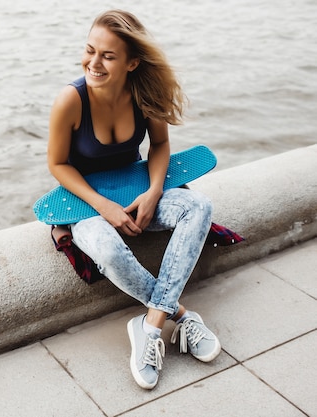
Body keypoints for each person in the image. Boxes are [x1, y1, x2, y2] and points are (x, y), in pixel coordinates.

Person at [46, 10, 221, 390]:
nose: (93, 63)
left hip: (135, 189)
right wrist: (101, 205)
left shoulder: (143, 94)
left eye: (107, 56)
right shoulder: (70, 101)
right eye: (90, 50)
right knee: (107, 250)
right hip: (87, 203)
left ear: (132, 62)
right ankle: (179, 316)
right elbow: (57, 164)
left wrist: (154, 190)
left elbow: (159, 145)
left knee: (199, 207)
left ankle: (150, 325)